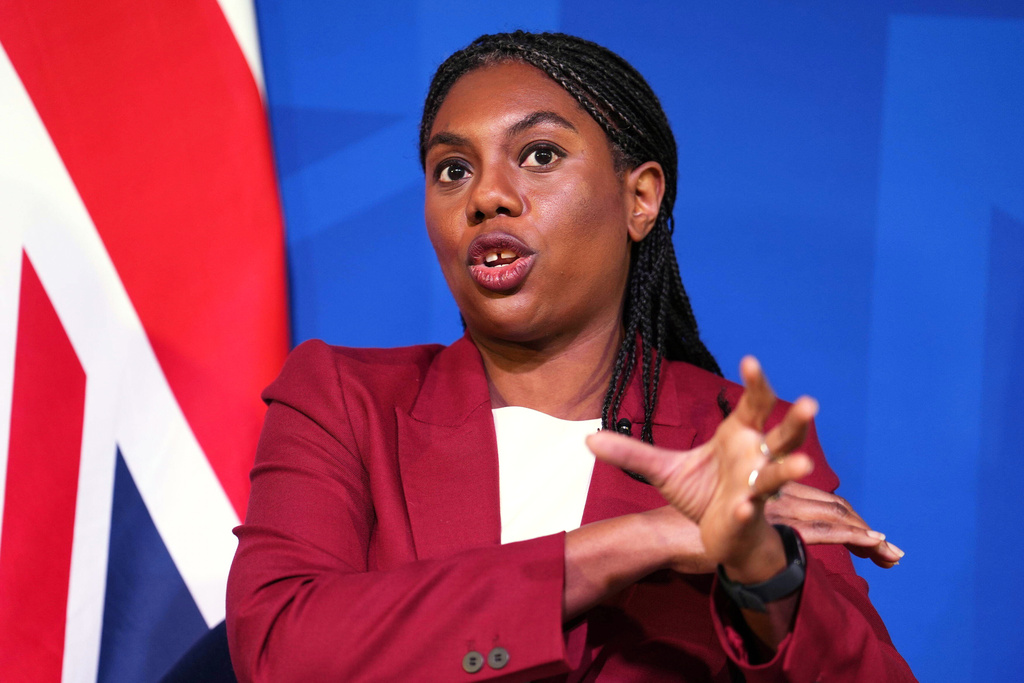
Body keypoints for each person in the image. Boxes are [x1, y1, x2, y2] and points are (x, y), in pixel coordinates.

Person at [226, 31, 915, 681]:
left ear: (640, 198)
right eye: (453, 169)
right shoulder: (344, 401)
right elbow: (281, 649)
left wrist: (763, 569)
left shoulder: (736, 434)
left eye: (539, 155)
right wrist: (642, 540)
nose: (488, 196)